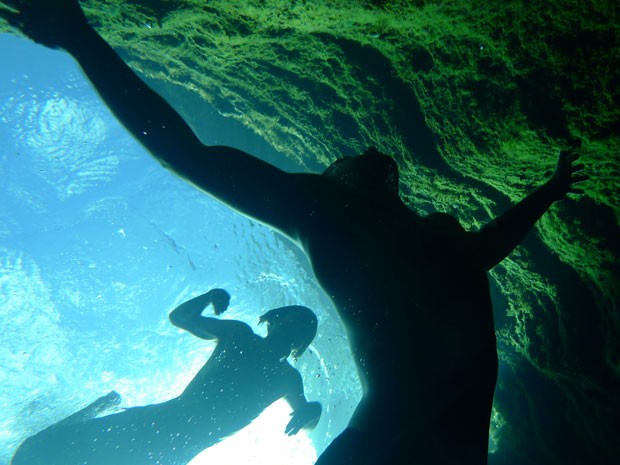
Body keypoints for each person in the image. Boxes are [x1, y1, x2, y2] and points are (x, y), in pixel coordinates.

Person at [2, 1, 588, 464]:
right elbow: (185, 154)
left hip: (411, 445)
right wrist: (80, 38)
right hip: (410, 444)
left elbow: (490, 246)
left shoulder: (420, 234)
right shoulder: (329, 211)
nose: (364, 149)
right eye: (350, 156)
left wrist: (550, 191)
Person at [11, 288, 321, 465]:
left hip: (183, 446)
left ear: (300, 342)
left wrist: (312, 411)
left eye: (301, 329)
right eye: (293, 321)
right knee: (37, 450)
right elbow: (181, 318)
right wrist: (208, 296)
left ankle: (97, 408)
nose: (293, 329)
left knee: (43, 452)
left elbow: (306, 424)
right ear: (275, 319)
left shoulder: (287, 378)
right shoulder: (239, 335)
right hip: (164, 419)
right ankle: (96, 408)